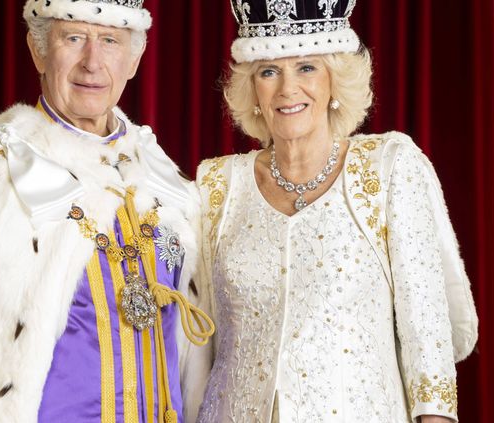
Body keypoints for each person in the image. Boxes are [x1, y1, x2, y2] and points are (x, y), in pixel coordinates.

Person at [0, 1, 213, 422]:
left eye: (109, 41)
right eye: (74, 38)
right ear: (38, 49)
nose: (92, 63)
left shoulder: (169, 188)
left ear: (134, 58)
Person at [191, 1, 478, 422]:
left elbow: (428, 334)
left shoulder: (389, 168)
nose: (288, 89)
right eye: (269, 71)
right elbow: (195, 343)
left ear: (334, 82)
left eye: (307, 67)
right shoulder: (215, 186)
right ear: (253, 89)